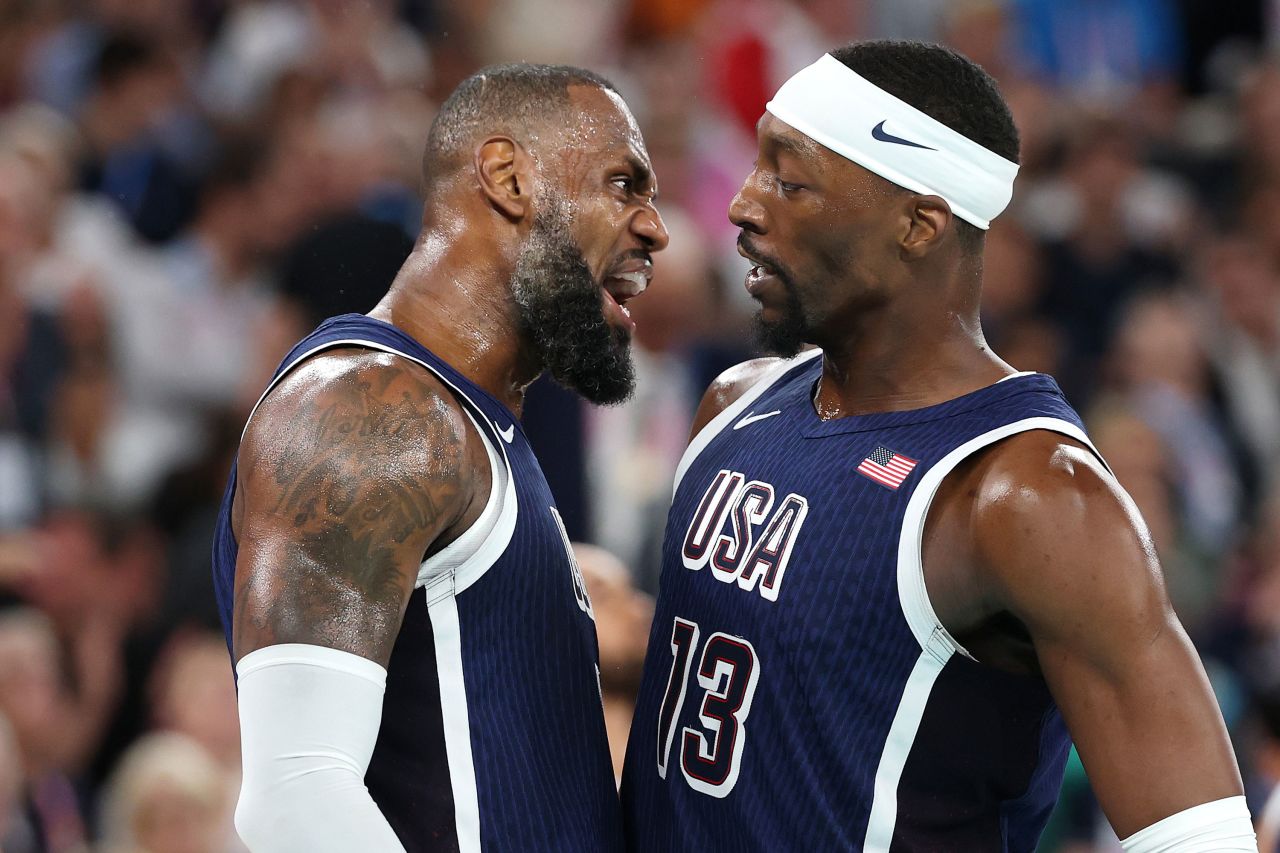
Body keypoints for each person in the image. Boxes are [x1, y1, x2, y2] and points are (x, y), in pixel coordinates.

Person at [619, 40, 1253, 852]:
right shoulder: (731, 405)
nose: (743, 205)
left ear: (918, 224)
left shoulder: (1029, 494)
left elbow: (1199, 835)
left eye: (789, 178)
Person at [211, 63, 668, 852]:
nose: (654, 225)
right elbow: (295, 798)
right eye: (623, 183)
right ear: (507, 177)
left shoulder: (470, 424)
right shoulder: (367, 410)